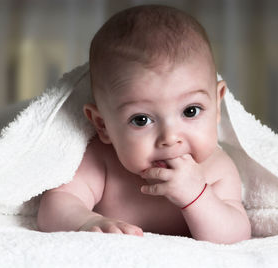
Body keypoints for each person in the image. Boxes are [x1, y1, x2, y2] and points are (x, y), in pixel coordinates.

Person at [37, 4, 251, 244]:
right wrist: (87, 222)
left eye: (191, 111)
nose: (170, 137)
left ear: (217, 106)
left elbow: (236, 235)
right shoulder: (102, 161)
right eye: (141, 120)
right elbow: (54, 207)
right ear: (103, 125)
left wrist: (197, 196)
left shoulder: (216, 170)